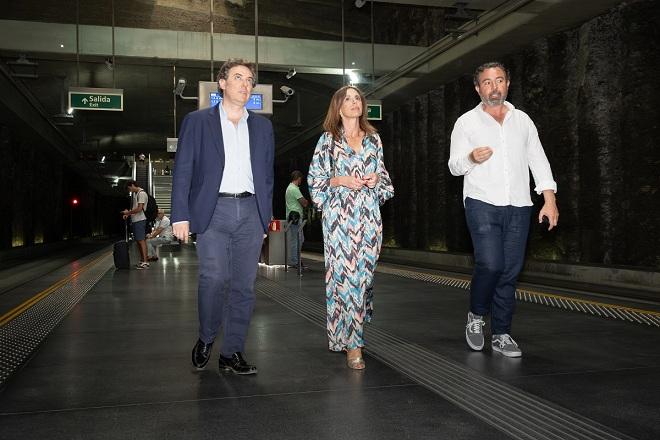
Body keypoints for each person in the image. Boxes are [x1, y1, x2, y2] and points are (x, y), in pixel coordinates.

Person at [448, 61, 559, 358]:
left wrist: (549, 199)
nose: (493, 86)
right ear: (477, 88)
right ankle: (476, 316)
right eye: (487, 82)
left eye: (499, 80)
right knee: (491, 264)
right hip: (482, 201)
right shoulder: (466, 123)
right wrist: (471, 157)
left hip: (519, 204)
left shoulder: (522, 120)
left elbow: (538, 159)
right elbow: (454, 165)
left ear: (508, 83)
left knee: (509, 271)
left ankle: (501, 333)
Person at [171, 58, 274, 375]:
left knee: (244, 287)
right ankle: (206, 337)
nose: (245, 84)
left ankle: (232, 353)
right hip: (213, 211)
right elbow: (184, 171)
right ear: (222, 83)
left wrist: (264, 216)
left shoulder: (263, 126)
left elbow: (267, 174)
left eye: (250, 80)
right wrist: (180, 216)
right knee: (214, 279)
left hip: (250, 213)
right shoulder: (197, 121)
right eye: (239, 77)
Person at [308, 85, 394, 370]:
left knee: (364, 279)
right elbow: (315, 181)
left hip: (369, 217)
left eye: (358, 98)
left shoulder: (374, 140)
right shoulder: (327, 141)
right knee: (347, 281)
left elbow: (385, 180)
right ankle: (354, 345)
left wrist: (373, 181)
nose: (355, 102)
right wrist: (342, 180)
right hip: (339, 219)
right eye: (348, 99)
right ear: (338, 106)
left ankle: (346, 330)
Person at [121, 180, 149, 269]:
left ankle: (145, 262)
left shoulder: (141, 194)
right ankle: (142, 261)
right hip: (136, 220)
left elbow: (140, 209)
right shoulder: (136, 194)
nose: (130, 190)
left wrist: (128, 213)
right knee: (138, 241)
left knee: (141, 241)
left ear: (132, 185)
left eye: (129, 188)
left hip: (140, 220)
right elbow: (136, 208)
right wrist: (128, 214)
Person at [285, 170, 309, 269]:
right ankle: (295, 261)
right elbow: (304, 203)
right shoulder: (294, 189)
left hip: (293, 218)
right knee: (297, 240)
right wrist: (306, 201)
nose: (301, 181)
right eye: (301, 179)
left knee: (299, 239)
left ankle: (296, 260)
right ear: (298, 178)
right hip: (295, 218)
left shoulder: (289, 188)